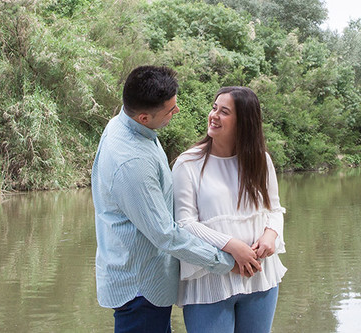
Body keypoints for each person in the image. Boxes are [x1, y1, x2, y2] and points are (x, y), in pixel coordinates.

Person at [92, 66, 263, 333]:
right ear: (145, 116)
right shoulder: (133, 162)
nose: (177, 112)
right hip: (140, 288)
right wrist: (227, 261)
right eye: (170, 110)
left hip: (142, 279)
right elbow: (165, 234)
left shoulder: (130, 125)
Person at [172, 86, 287, 333]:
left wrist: (270, 235)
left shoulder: (261, 160)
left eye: (224, 112)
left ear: (244, 122)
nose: (214, 115)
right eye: (214, 108)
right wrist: (233, 246)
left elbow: (275, 210)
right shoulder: (188, 164)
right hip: (209, 279)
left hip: (259, 277)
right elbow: (184, 223)